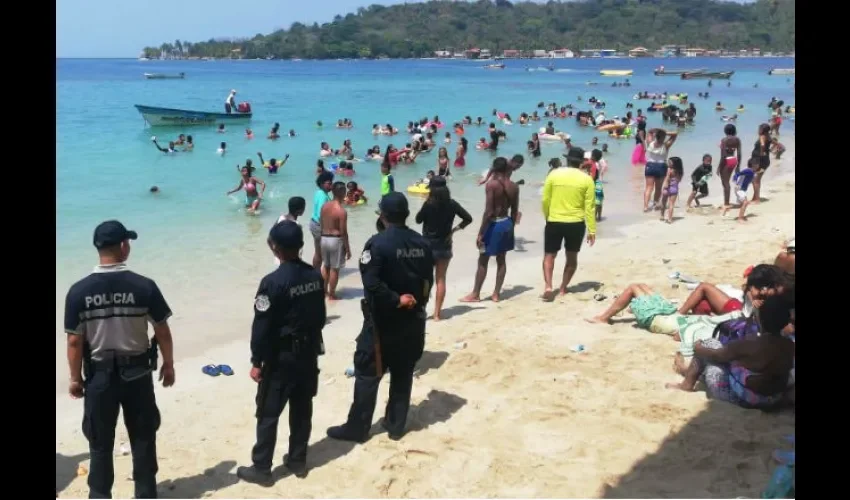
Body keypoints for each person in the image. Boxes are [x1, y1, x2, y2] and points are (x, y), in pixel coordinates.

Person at [64, 220, 175, 499]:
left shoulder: (78, 292)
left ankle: (100, 495)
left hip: (99, 377)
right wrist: (169, 364)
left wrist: (75, 379)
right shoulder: (144, 286)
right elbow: (161, 330)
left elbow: (74, 341)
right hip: (137, 372)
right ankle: (146, 493)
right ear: (124, 246)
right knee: (142, 438)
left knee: (100, 444)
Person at [327, 193, 434, 442]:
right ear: (406, 214)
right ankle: (396, 425)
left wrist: (396, 300)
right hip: (414, 320)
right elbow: (428, 282)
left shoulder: (377, 244)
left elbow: (372, 284)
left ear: (382, 215)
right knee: (403, 372)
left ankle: (358, 428)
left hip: (383, 324)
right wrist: (413, 303)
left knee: (367, 374)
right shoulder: (423, 243)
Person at [236, 222, 326, 485]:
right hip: (308, 352)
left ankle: (262, 468)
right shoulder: (314, 276)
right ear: (300, 246)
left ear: (274, 247)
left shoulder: (272, 283)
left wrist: (256, 361)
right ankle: (298, 459)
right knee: (302, 407)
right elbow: (320, 316)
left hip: (281, 357)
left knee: (268, 412)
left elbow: (261, 327)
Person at [666, 295, 794, 410]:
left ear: (761, 320)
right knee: (737, 363)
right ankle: (687, 370)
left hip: (744, 399)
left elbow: (717, 356)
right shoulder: (790, 346)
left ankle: (686, 385)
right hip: (774, 400)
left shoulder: (750, 344)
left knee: (709, 345)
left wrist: (698, 348)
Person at [540, 149, 596, 301]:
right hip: (576, 223)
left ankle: (548, 286)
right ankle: (563, 288)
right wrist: (592, 229)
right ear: (581, 162)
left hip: (554, 220)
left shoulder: (554, 174)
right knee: (571, 256)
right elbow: (590, 207)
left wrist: (547, 216)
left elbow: (545, 199)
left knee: (549, 255)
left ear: (567, 160)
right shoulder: (587, 179)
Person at [414, 177, 473, 320]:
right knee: (441, 279)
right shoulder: (452, 204)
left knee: (425, 280)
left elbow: (418, 219)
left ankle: (421, 311)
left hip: (427, 246)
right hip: (444, 246)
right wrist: (454, 230)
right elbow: (468, 218)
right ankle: (437, 314)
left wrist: (425, 203)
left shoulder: (429, 204)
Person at [461, 157, 519, 302]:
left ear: (494, 168)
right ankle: (496, 294)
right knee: (501, 259)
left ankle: (475, 294)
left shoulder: (492, 185)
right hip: (506, 223)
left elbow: (488, 212)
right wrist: (510, 226)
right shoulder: (514, 186)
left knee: (483, 260)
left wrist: (480, 232)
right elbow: (514, 212)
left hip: (493, 224)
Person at [319, 182, 352, 300]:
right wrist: (348, 249)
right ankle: (332, 295)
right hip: (335, 240)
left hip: (324, 238)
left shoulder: (324, 206)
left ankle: (323, 292)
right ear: (343, 193)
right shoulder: (341, 211)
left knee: (325, 266)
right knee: (334, 269)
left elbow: (321, 224)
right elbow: (343, 232)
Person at [642, 129, 678, 212]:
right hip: (661, 167)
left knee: (648, 187)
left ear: (656, 136)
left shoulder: (650, 143)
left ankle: (646, 206)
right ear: (664, 137)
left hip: (650, 166)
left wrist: (657, 130)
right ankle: (655, 204)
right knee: (658, 188)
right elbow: (675, 134)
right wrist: (666, 132)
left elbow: (649, 131)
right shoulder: (665, 145)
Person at [309, 172, 334, 269]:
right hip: (319, 226)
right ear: (321, 183)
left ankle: (316, 272)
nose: (331, 185)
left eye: (331, 183)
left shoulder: (319, 192)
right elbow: (321, 214)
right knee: (320, 253)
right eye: (329, 183)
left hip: (314, 224)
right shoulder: (323, 196)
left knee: (318, 251)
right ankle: (316, 273)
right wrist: (326, 231)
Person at [718, 124, 742, 208]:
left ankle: (726, 203)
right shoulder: (737, 139)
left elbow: (723, 155)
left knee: (725, 183)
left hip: (726, 161)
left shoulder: (724, 140)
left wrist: (718, 167)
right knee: (726, 182)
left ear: (725, 131)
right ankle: (727, 202)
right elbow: (739, 153)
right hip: (733, 160)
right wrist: (738, 165)